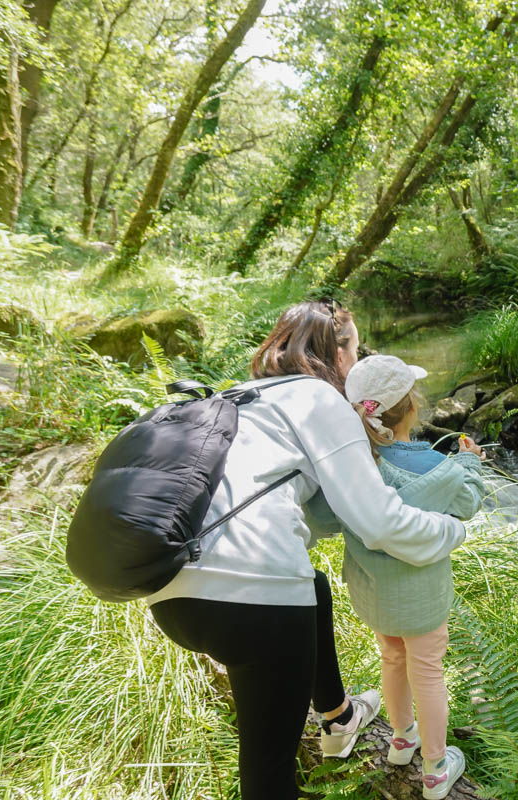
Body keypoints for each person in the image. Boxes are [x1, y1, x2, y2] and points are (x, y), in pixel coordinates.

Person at [145, 300, 467, 800]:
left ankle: (338, 719)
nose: (356, 365)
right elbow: (379, 524)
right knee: (268, 767)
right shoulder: (320, 402)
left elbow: (315, 517)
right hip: (254, 599)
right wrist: (451, 531)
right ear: (336, 355)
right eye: (356, 352)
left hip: (170, 590)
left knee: (312, 586)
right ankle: (345, 730)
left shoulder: (242, 396)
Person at [344, 355, 488, 800]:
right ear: (411, 407)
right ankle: (435, 768)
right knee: (428, 672)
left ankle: (402, 739)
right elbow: (467, 503)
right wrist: (471, 463)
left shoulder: (353, 463)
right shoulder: (432, 464)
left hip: (372, 592)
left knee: (391, 658)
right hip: (421, 597)